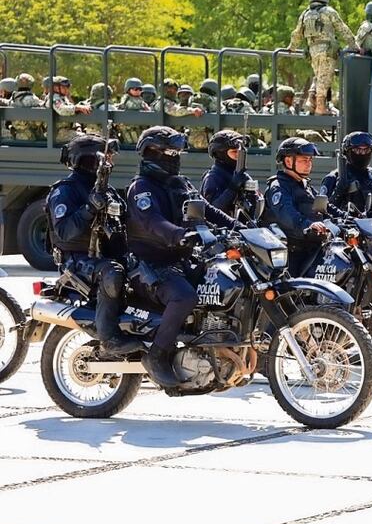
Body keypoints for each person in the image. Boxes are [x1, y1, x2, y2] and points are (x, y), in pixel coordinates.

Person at [125, 126, 237, 387]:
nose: (175, 157)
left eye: (177, 152)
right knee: (184, 296)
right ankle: (158, 355)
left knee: (225, 281)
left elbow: (206, 209)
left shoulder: (179, 183)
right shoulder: (141, 188)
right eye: (170, 152)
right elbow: (153, 222)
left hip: (181, 260)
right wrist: (179, 235)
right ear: (152, 152)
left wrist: (239, 227)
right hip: (150, 265)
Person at [47, 133, 139, 357]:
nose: (111, 161)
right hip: (78, 260)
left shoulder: (106, 190)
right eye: (106, 156)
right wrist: (89, 209)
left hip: (107, 255)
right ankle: (109, 339)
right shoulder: (66, 191)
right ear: (89, 159)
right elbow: (64, 232)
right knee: (112, 274)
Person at [261, 137, 331, 276]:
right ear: (288, 161)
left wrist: (348, 218)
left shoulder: (305, 185)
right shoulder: (278, 186)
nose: (308, 164)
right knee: (291, 290)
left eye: (310, 160)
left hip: (311, 247)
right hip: (290, 253)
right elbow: (286, 213)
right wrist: (308, 225)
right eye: (304, 160)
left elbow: (325, 206)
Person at [287, 0, 359, 114]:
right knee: (325, 78)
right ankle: (320, 107)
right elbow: (343, 29)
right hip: (327, 51)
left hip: (312, 51)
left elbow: (297, 33)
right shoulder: (329, 12)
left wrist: (292, 47)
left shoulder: (305, 14)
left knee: (319, 76)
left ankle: (311, 101)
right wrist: (355, 46)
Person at [321, 131, 372, 217]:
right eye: (357, 150)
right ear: (347, 151)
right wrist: (338, 192)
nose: (362, 154)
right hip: (343, 225)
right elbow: (322, 210)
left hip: (370, 225)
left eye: (366, 150)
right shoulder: (333, 178)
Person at [201, 130, 258, 221]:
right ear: (220, 154)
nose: (238, 156)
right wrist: (233, 188)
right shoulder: (213, 178)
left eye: (240, 153)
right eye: (234, 152)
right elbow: (212, 211)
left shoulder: (242, 176)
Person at [46, 76, 92, 143]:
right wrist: (77, 107)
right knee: (85, 139)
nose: (67, 89)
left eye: (67, 87)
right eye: (63, 87)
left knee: (89, 137)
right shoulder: (53, 98)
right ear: (55, 87)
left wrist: (77, 126)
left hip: (65, 131)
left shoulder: (63, 98)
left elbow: (70, 109)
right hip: (57, 133)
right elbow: (62, 109)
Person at [9, 73, 45, 141]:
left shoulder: (13, 99)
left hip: (18, 135)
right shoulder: (33, 99)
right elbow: (44, 107)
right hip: (33, 136)